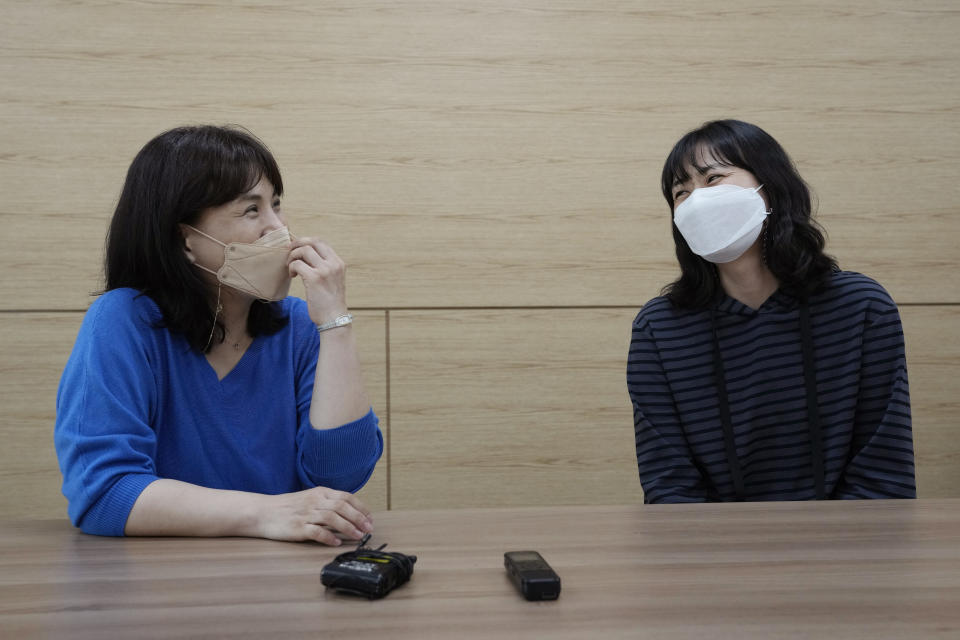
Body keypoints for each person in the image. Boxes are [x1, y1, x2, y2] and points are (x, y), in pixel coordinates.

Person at [55, 125, 383, 544]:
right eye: (252, 210)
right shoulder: (122, 321)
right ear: (186, 240)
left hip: (285, 579)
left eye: (276, 206)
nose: (279, 229)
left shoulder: (299, 324)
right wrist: (266, 513)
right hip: (161, 582)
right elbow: (104, 493)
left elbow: (342, 474)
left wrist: (335, 322)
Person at [627, 119, 915, 503]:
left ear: (770, 187)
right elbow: (670, 488)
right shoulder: (659, 329)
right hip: (714, 554)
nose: (696, 200)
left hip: (850, 552)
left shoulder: (861, 307)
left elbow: (884, 475)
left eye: (713, 179)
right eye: (681, 192)